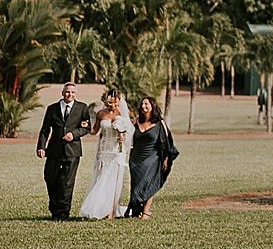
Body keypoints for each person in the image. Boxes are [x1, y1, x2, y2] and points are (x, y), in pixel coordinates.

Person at [35, 81, 93, 220]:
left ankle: (63, 213)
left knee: (67, 182)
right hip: (54, 150)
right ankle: (54, 208)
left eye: (73, 92)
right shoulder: (52, 109)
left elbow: (86, 128)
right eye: (67, 92)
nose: (70, 94)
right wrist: (41, 147)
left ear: (75, 94)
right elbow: (45, 130)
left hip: (72, 151)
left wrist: (74, 134)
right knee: (50, 178)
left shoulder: (82, 108)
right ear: (62, 92)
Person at [78, 87, 133, 220]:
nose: (112, 105)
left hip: (117, 151)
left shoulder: (123, 115)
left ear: (119, 101)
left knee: (114, 181)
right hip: (103, 151)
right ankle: (98, 207)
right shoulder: (101, 114)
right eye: (110, 103)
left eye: (115, 102)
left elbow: (128, 132)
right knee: (101, 179)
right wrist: (85, 126)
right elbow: (94, 131)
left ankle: (111, 211)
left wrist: (122, 137)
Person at [126, 96, 178, 218]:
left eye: (146, 104)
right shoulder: (135, 122)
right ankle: (137, 210)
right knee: (136, 186)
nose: (143, 106)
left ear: (152, 106)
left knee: (149, 183)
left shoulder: (160, 123)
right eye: (142, 104)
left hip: (152, 158)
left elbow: (167, 142)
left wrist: (166, 158)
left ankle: (145, 211)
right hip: (135, 159)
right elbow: (128, 138)